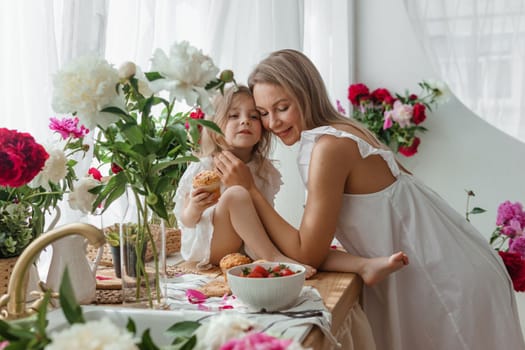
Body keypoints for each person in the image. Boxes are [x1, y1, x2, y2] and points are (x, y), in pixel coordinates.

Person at [213, 50, 525, 350]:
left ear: (306, 96)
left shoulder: (328, 148)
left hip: (446, 281)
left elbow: (306, 253)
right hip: (446, 266)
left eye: (282, 108)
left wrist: (250, 189)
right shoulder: (337, 133)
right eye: (264, 113)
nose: (272, 124)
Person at [174, 85, 407, 283]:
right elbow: (185, 219)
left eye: (254, 116)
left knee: (302, 248)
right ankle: (274, 259)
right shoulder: (205, 166)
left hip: (248, 245)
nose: (245, 120)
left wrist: (285, 245)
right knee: (236, 195)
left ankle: (363, 266)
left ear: (263, 131)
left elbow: (263, 219)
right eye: (234, 116)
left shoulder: (264, 170)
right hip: (212, 246)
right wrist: (194, 208)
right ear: (215, 131)